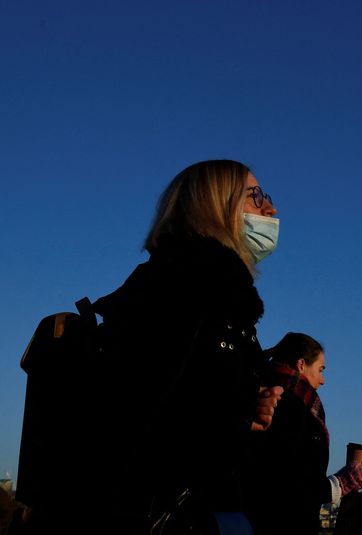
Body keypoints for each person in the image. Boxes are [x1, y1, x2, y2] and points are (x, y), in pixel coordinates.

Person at [46, 160, 283, 534]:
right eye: (255, 196)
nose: (269, 208)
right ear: (214, 205)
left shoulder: (205, 288)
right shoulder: (184, 286)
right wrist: (237, 416)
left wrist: (245, 407)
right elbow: (140, 413)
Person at [243, 332, 362, 535]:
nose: (322, 380)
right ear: (301, 365)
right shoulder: (288, 403)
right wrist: (340, 483)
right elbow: (288, 482)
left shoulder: (259, 394)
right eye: (321, 370)